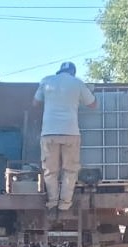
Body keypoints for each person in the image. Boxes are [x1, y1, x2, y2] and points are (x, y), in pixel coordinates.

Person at [33, 61, 96, 213]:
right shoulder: (78, 83)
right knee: (70, 169)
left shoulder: (46, 81)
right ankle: (65, 204)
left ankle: (52, 201)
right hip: (71, 132)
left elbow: (35, 103)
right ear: (73, 72)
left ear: (59, 71)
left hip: (49, 133)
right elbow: (93, 104)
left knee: (50, 170)